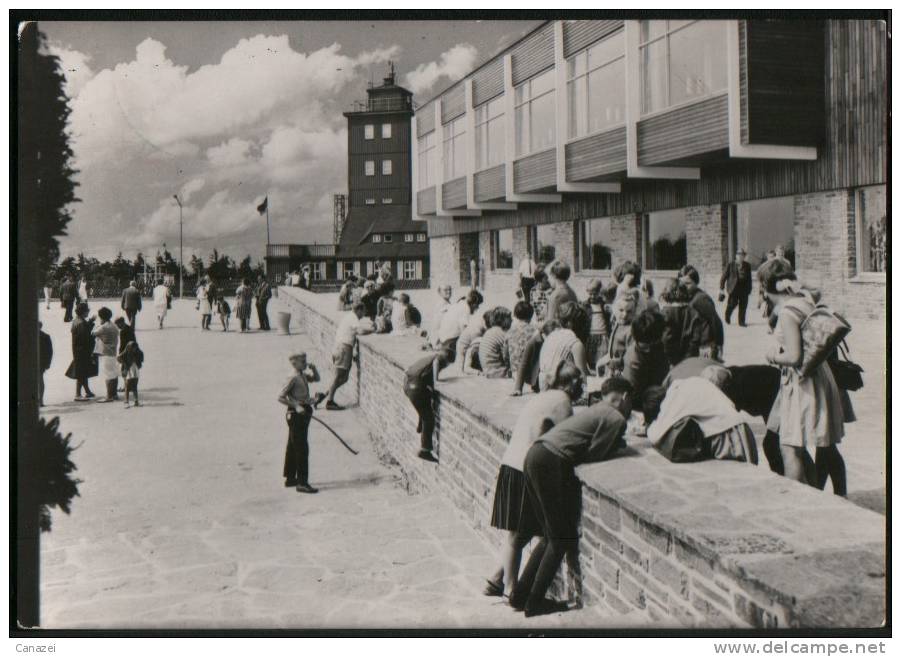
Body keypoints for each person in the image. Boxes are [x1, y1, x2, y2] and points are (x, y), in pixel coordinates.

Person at [511, 377, 633, 616]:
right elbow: (595, 453)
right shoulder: (616, 417)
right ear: (625, 397)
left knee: (549, 535)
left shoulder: (596, 408)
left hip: (535, 454)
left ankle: (519, 595)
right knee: (560, 539)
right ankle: (534, 603)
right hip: (551, 462)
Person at [484, 362, 583, 599]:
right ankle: (510, 589)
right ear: (571, 383)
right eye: (580, 382)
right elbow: (567, 435)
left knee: (523, 530)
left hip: (513, 463)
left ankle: (496, 579)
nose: (582, 388)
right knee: (518, 535)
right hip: (524, 467)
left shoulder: (546, 396)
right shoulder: (562, 401)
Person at [761, 261, 850, 494]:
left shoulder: (788, 312)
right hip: (820, 376)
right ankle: (836, 494)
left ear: (766, 287)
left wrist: (772, 356)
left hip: (802, 383)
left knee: (790, 448)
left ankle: (797, 502)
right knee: (825, 444)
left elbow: (794, 356)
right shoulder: (804, 300)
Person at [644, 369, 758, 465]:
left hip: (727, 437)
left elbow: (655, 436)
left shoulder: (672, 400)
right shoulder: (685, 383)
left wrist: (648, 426)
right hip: (741, 429)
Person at [278, 352, 321, 494]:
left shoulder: (302, 374)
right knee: (302, 448)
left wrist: (314, 369)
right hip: (296, 414)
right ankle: (302, 483)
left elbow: (316, 379)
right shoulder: (293, 377)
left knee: (292, 445)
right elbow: (280, 397)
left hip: (304, 411)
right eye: (302, 361)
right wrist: (296, 405)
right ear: (294, 363)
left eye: (305, 360)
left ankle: (290, 478)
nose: (305, 363)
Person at [322, 302, 373, 410]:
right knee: (338, 376)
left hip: (341, 347)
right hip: (343, 348)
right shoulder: (353, 318)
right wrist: (374, 330)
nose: (363, 314)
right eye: (363, 311)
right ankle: (329, 401)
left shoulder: (349, 317)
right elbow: (360, 331)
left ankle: (325, 395)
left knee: (344, 378)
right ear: (359, 310)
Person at [403, 352, 451, 463]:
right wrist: (436, 382)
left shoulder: (428, 358)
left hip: (408, 384)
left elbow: (410, 370)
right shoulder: (438, 359)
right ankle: (425, 450)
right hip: (415, 387)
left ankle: (420, 425)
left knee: (425, 402)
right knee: (429, 418)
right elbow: (435, 374)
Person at [620, 309, 668, 407]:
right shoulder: (634, 360)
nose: (649, 350)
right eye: (645, 347)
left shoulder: (658, 344)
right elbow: (634, 395)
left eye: (654, 343)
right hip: (643, 403)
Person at [538, 302, 589, 390]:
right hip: (559, 386)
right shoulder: (575, 343)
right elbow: (583, 377)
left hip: (543, 384)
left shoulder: (552, 335)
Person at [434, 290, 483, 378]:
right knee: (471, 344)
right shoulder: (466, 309)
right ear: (473, 303)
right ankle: (468, 367)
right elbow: (464, 330)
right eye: (477, 305)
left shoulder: (458, 304)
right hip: (450, 340)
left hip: (444, 337)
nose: (477, 308)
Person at [679, 265, 723, 360]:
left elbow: (715, 322)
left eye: (688, 283)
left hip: (705, 346)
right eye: (682, 284)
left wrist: (719, 345)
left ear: (696, 282)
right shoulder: (686, 297)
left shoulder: (701, 298)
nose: (685, 287)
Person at [659, 278, 706, 367]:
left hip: (668, 361)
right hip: (689, 361)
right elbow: (695, 340)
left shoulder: (664, 313)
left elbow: (665, 340)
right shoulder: (694, 313)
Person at [512, 321, 560, 396]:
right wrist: (518, 388)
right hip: (538, 376)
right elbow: (523, 364)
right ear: (543, 335)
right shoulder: (533, 342)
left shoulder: (556, 342)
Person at [597, 292, 637, 377]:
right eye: (621, 310)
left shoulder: (631, 330)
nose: (625, 315)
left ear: (634, 311)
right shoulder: (618, 324)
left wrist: (618, 361)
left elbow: (631, 355)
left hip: (622, 370)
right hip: (612, 367)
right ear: (615, 309)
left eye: (629, 311)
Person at [66, 302, 96, 400]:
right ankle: (77, 394)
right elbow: (86, 338)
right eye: (87, 310)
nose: (88, 312)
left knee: (83, 372)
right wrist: (94, 337)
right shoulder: (81, 323)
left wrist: (90, 321)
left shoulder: (77, 321)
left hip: (78, 350)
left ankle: (87, 391)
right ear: (83, 312)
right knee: (81, 373)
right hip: (82, 351)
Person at [91, 307, 120, 403]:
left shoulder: (104, 327)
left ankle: (109, 396)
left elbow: (93, 333)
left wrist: (98, 324)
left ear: (101, 317)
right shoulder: (114, 326)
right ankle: (114, 394)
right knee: (114, 374)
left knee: (108, 375)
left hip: (106, 353)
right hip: (113, 352)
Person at [719, 248, 753, 327]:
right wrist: (721, 288)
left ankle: (741, 322)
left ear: (744, 256)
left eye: (742, 255)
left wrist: (749, 288)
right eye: (739, 255)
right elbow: (723, 277)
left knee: (743, 305)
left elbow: (749, 278)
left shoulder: (747, 265)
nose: (741, 257)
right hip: (734, 288)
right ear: (736, 256)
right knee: (732, 304)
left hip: (744, 288)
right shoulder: (731, 265)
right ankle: (727, 315)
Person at [506, 302, 538, 382]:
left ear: (516, 315)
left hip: (515, 373)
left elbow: (505, 354)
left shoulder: (510, 331)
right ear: (531, 315)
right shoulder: (535, 331)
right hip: (530, 374)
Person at [479, 307, 513, 379]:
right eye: (509, 318)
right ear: (503, 319)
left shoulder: (490, 331)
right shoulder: (501, 333)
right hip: (497, 372)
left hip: (488, 370)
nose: (512, 320)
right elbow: (510, 356)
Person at [584, 279, 610, 372]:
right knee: (591, 358)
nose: (592, 296)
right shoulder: (585, 305)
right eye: (590, 294)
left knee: (602, 359)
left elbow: (608, 319)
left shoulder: (604, 305)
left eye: (595, 294)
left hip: (603, 335)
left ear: (599, 292)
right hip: (591, 335)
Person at [114, 316, 137, 392]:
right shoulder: (129, 328)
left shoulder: (123, 331)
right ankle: (129, 386)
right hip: (132, 352)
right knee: (130, 370)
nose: (117, 327)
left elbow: (122, 345)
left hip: (126, 353)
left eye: (118, 325)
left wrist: (120, 354)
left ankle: (126, 387)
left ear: (121, 323)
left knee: (124, 371)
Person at [118, 341, 143, 408]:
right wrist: (125, 364)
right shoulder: (125, 354)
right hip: (128, 371)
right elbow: (119, 358)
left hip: (135, 371)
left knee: (134, 386)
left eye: (135, 348)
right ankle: (126, 401)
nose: (134, 350)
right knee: (127, 387)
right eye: (133, 348)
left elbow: (141, 358)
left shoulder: (137, 353)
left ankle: (136, 401)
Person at [39, 322, 52, 406]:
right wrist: (47, 363)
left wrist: (47, 363)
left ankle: (40, 400)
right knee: (40, 381)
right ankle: (40, 400)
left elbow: (49, 352)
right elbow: (50, 352)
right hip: (41, 363)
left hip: (39, 363)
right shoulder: (46, 336)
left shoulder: (27, 336)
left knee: (39, 381)